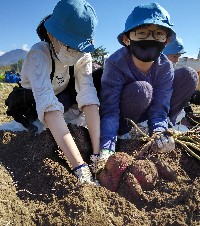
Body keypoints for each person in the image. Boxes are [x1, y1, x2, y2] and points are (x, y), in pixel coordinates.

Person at [98, 3, 198, 168]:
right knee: (142, 90)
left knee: (189, 74)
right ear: (126, 39)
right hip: (125, 114)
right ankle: (126, 133)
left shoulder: (164, 66)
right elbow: (110, 109)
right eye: (142, 33)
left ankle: (154, 128)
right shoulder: (115, 63)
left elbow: (160, 107)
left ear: (166, 41)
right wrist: (107, 146)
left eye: (158, 34)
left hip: (149, 113)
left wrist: (159, 132)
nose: (150, 39)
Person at [19, 0, 100, 184]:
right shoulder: (39, 54)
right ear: (50, 34)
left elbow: (88, 97)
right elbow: (47, 105)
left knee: (96, 71)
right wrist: (80, 167)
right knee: (41, 117)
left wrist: (97, 153)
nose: (76, 53)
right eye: (70, 46)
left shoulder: (82, 56)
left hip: (60, 97)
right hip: (32, 101)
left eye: (80, 47)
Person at [163, 36, 200, 124]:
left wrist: (189, 112)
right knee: (188, 73)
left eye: (179, 56)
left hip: (170, 111)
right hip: (160, 113)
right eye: (175, 56)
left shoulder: (171, 72)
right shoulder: (155, 72)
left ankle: (181, 118)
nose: (177, 60)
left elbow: (181, 97)